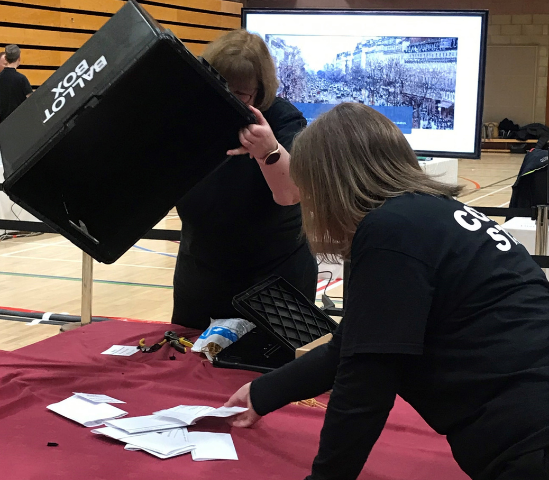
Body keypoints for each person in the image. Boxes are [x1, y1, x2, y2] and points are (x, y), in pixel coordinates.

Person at [225, 103, 549, 480]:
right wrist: (264, 392)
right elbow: (353, 346)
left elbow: (366, 384)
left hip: (527, 437)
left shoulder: (389, 231)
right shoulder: (432, 214)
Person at [172, 30, 318, 330]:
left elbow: (292, 193)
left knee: (272, 371)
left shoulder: (283, 119)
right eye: (216, 86)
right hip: (200, 272)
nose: (224, 98)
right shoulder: (191, 112)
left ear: (260, 91)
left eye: (238, 94)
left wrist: (268, 150)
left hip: (274, 279)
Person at [0, 44, 32, 123]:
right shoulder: (21, 78)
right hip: (20, 121)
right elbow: (30, 99)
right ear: (19, 58)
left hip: (4, 121)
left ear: (6, 58)